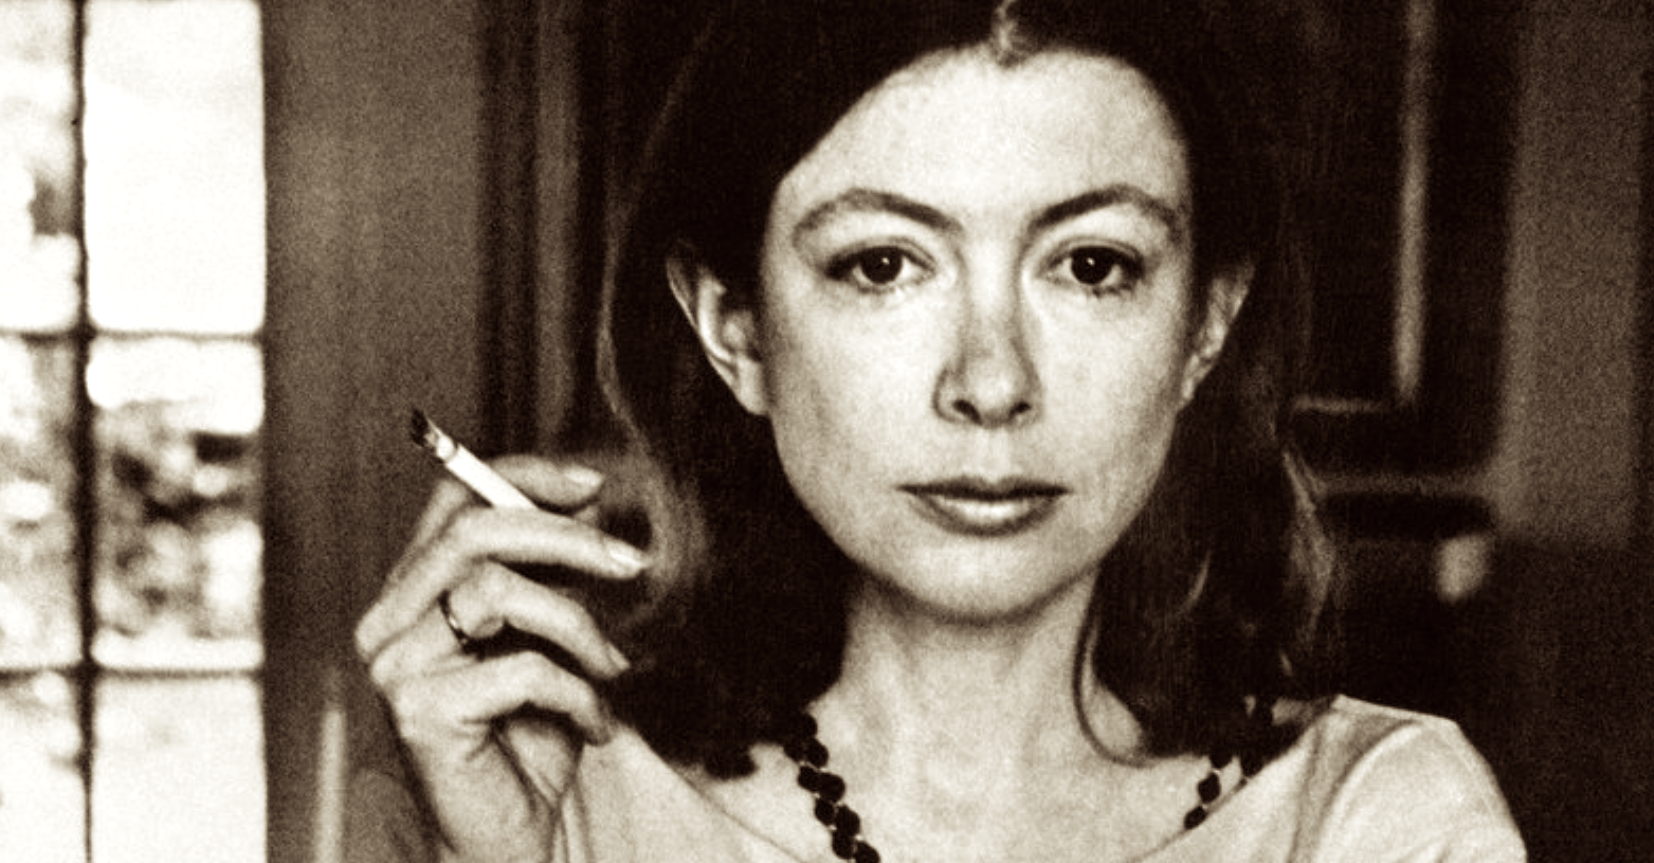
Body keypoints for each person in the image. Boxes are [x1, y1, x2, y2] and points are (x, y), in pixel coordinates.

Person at [349, 1, 1527, 861]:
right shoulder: (551, 801)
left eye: (1091, 264)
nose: (991, 381)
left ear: (1204, 327)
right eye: (882, 264)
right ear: (734, 331)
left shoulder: (1381, 820)